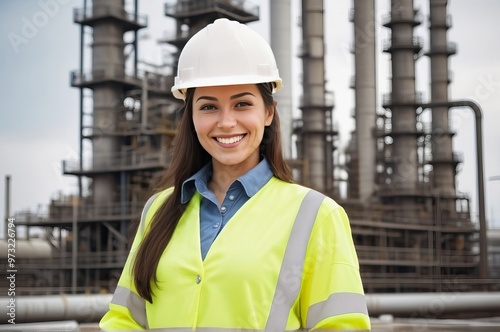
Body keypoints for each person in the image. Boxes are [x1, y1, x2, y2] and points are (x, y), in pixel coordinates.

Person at [100, 18, 371, 331]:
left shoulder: (316, 215)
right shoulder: (157, 210)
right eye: (209, 107)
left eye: (242, 104)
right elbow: (124, 320)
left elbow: (341, 325)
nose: (226, 122)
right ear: (190, 117)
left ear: (269, 112)